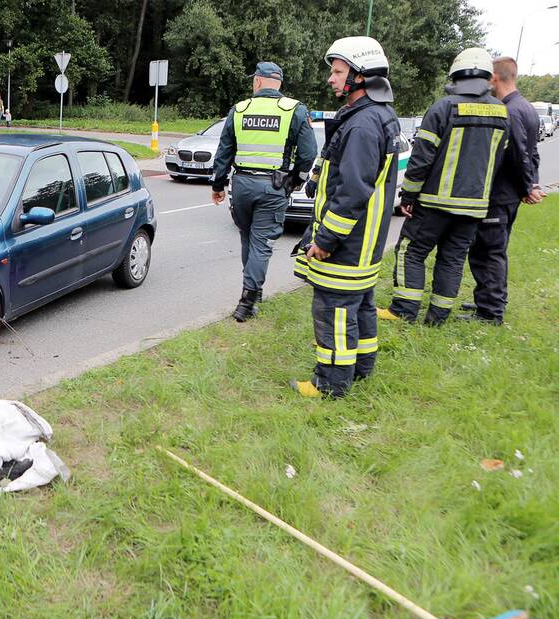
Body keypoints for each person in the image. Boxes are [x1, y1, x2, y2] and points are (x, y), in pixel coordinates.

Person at [290, 36, 399, 398]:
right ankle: (362, 368)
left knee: (335, 310)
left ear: (360, 76)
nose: (331, 79)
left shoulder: (363, 125)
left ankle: (331, 383)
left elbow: (352, 192)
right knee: (362, 305)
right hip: (366, 243)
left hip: (347, 244)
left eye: (337, 72)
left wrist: (325, 240)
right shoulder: (376, 116)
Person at [379, 48, 508, 326]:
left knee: (411, 251)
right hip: (474, 206)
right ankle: (437, 318)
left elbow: (422, 157)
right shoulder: (501, 113)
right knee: (452, 259)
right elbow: (499, 160)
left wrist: (409, 195)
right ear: (487, 76)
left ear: (456, 74)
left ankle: (403, 311)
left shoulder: (443, 107)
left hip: (435, 203)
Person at [211, 62, 317, 321]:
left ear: (258, 81)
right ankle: (247, 302)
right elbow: (308, 154)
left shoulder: (239, 110)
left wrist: (218, 185)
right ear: (278, 83)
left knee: (248, 238)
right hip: (273, 186)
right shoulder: (295, 110)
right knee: (261, 244)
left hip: (242, 185)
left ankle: (253, 289)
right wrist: (297, 179)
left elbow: (225, 151)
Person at [459, 57, 545, 325]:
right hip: (508, 196)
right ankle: (486, 301)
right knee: (486, 251)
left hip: (499, 196)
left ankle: (490, 312)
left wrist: (527, 187)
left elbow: (520, 154)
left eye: (487, 78)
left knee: (489, 253)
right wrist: (531, 184)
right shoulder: (526, 107)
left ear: (494, 78)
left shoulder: (510, 110)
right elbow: (533, 153)